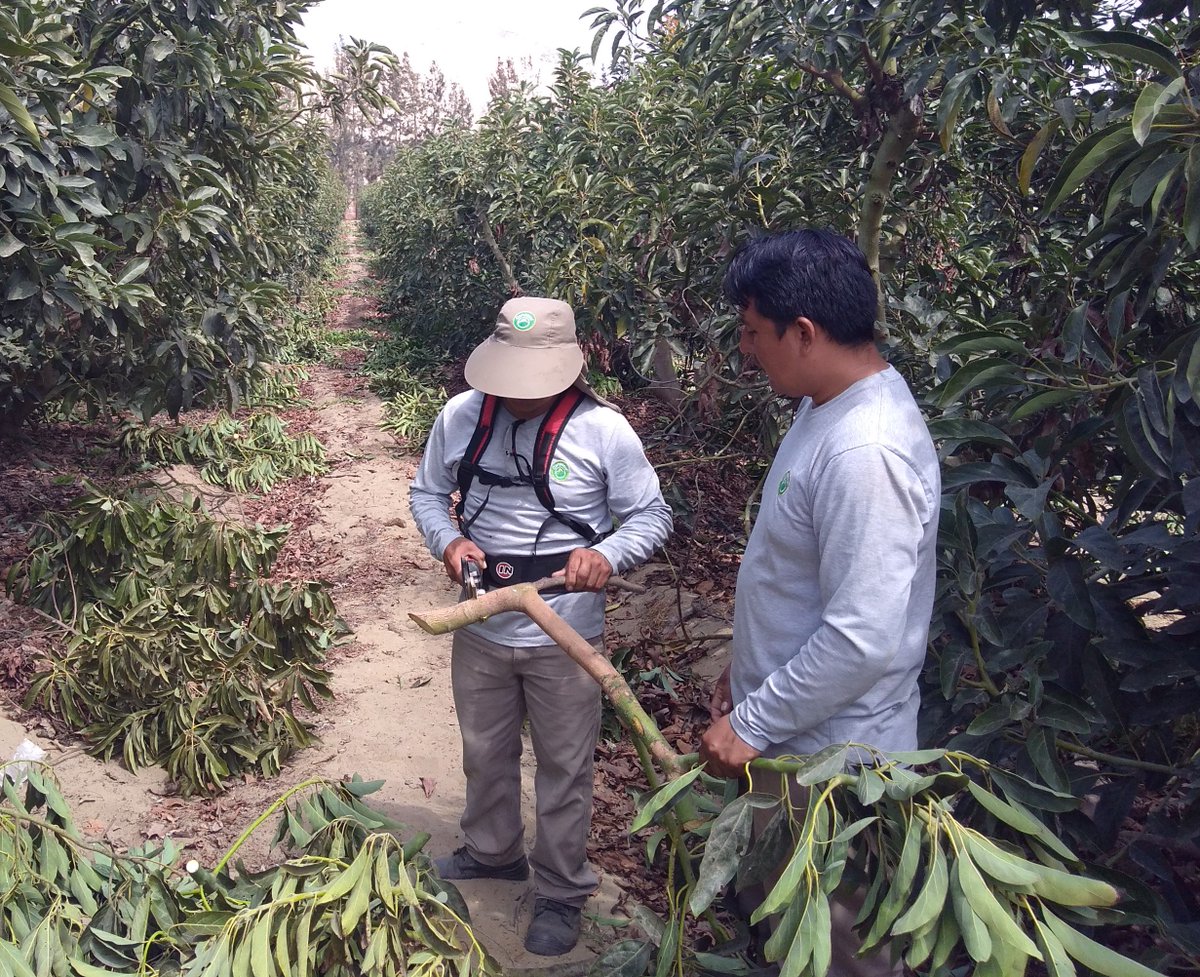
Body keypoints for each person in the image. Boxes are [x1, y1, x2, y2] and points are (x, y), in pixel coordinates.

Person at [700, 229, 941, 977]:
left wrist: (753, 719)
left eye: (751, 332)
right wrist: (746, 674)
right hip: (794, 745)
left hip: (833, 769)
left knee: (836, 947)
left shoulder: (865, 449)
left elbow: (860, 637)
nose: (745, 350)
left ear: (802, 332)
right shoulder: (824, 405)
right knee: (783, 931)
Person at [410, 296, 673, 957]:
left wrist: (604, 555)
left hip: (566, 632)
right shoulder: (462, 417)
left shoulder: (603, 431)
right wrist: (449, 542)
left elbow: (651, 514)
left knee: (564, 765)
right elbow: (424, 493)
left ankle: (560, 887)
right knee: (484, 749)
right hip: (481, 623)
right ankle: (493, 851)